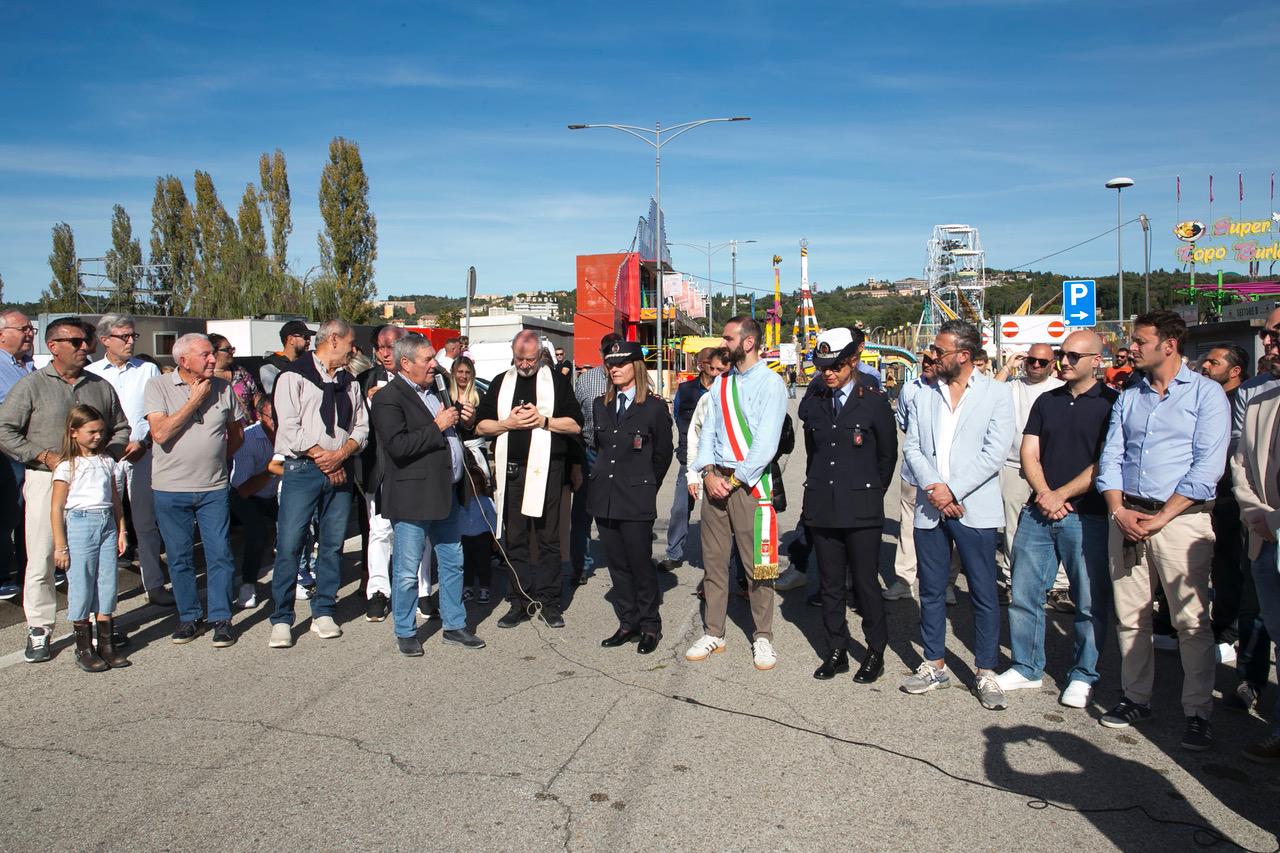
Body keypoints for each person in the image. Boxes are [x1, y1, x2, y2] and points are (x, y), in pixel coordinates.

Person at [1096, 310, 1229, 750]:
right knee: (1131, 617)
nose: (1131, 347)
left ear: (1168, 344)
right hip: (1128, 516)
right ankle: (1135, 697)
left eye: (1140, 340)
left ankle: (1197, 712)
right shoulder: (1129, 394)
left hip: (1179, 521)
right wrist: (1118, 510)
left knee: (1190, 622)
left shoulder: (1207, 396)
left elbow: (1206, 469)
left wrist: (1160, 518)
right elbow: (1111, 455)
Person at [993, 331, 1117, 708]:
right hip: (1038, 510)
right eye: (1063, 355)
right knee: (1025, 593)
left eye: (1074, 356)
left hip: (1087, 515)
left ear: (1097, 359)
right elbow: (1030, 450)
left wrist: (1060, 495)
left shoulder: (1113, 403)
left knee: (1088, 601)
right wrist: (1045, 494)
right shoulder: (1047, 400)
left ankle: (1083, 674)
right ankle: (1026, 666)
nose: (1065, 361)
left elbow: (1107, 461)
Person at [0, 317, 130, 663]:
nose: (84, 347)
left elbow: (121, 428)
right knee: (43, 554)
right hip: (47, 479)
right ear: (53, 346)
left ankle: (94, 625)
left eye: (85, 340)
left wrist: (104, 456)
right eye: (75, 341)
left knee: (95, 561)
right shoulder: (31, 386)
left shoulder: (99, 386)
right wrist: (43, 455)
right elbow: (5, 429)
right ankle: (40, 627)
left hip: (94, 483)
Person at [900, 319, 1014, 710]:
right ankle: (934, 664)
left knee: (983, 591)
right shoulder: (923, 394)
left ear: (964, 356)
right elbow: (912, 446)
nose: (932, 356)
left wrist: (953, 490)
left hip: (973, 508)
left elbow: (994, 454)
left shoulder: (997, 394)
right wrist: (935, 489)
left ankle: (986, 673)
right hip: (931, 507)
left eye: (940, 351)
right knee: (930, 588)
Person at [370, 334, 485, 656]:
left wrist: (465, 421)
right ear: (405, 364)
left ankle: (454, 625)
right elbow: (398, 446)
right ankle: (406, 630)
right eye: (427, 359)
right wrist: (437, 425)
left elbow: (450, 432)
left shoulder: (436, 389)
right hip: (413, 497)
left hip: (446, 491)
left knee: (452, 562)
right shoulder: (388, 398)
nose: (434, 364)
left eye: (434, 358)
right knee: (407, 569)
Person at [685, 316, 787, 671]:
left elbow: (765, 444)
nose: (722, 343)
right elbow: (708, 431)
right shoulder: (721, 384)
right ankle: (714, 631)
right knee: (713, 563)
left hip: (749, 486)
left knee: (758, 566)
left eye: (728, 338)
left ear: (747, 343)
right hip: (718, 482)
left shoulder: (771, 384)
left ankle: (763, 637)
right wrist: (709, 472)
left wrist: (735, 479)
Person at [800, 330, 896, 682]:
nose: (828, 373)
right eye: (823, 366)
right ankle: (837, 649)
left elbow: (887, 456)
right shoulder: (815, 402)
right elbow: (815, 455)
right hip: (824, 504)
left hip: (862, 507)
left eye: (836, 366)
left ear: (853, 362)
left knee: (866, 583)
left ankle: (875, 651)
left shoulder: (872, 401)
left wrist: (869, 492)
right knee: (829, 583)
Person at [267, 320, 368, 649]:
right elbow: (290, 427)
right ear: (334, 339)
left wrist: (340, 456)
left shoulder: (350, 382)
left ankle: (324, 610)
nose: (354, 350)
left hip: (339, 467)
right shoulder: (293, 375)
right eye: (351, 343)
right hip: (304, 469)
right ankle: (282, 618)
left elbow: (361, 428)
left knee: (333, 544)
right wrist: (325, 458)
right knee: (290, 543)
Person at [476, 330, 583, 629]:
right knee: (516, 538)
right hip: (512, 471)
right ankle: (519, 600)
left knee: (549, 539)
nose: (524, 365)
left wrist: (543, 421)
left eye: (530, 359)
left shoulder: (557, 383)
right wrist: (506, 424)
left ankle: (549, 601)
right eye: (519, 358)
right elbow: (480, 426)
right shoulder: (500, 382)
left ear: (541, 356)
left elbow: (576, 425)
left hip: (548, 470)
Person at [145, 334, 245, 647]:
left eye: (213, 354)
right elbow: (160, 433)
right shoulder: (157, 387)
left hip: (213, 487)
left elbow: (237, 434)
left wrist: (217, 458)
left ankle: (220, 618)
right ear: (183, 361)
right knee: (179, 558)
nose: (213, 360)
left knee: (220, 555)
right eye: (205, 355)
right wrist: (194, 401)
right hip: (170, 489)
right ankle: (189, 617)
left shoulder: (224, 388)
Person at [589, 341, 673, 655]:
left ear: (636, 366)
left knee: (640, 565)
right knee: (617, 566)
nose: (614, 370)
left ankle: (650, 625)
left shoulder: (653, 407)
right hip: (605, 497)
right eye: (610, 365)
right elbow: (600, 448)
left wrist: (645, 485)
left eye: (621, 364)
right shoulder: (601, 404)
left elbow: (662, 455)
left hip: (636, 497)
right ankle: (628, 622)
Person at [85, 314, 173, 608]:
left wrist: (145, 441)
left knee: (146, 523)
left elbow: (156, 411)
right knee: (106, 524)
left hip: (141, 453)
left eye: (133, 336)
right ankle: (103, 597)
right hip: (106, 456)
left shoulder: (147, 369)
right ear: (105, 340)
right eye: (124, 336)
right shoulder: (92, 373)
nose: (130, 341)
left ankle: (154, 584)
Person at [50, 405, 129, 671]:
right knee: (82, 582)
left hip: (106, 522)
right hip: (80, 523)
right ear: (74, 432)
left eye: (101, 432)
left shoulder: (107, 461)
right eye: (91, 432)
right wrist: (60, 546)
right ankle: (84, 648)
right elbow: (57, 508)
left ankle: (107, 645)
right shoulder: (67, 466)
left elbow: (115, 498)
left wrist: (121, 530)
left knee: (107, 581)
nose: (97, 437)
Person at [1231, 348, 1280, 764]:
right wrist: (1258, 516)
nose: (1271, 347)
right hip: (1264, 539)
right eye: (1271, 337)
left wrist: (1275, 518)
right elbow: (1241, 465)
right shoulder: (1261, 403)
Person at [994, 343, 1064, 606]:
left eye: (1042, 362)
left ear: (1052, 364)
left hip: (1050, 468)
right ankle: (1012, 581)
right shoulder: (1013, 386)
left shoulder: (1059, 388)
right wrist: (1008, 365)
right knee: (1012, 529)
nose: (1036, 365)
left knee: (1057, 526)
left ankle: (1059, 585)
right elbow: (986, 393)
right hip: (1013, 466)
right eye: (1031, 360)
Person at [1199, 344, 1251, 664]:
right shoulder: (1204, 397)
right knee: (1213, 566)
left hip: (1234, 498)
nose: (1204, 365)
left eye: (1213, 362)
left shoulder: (1244, 400)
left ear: (1234, 371)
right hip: (1206, 497)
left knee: (1232, 569)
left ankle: (1229, 634)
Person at [661, 347, 722, 572]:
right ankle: (673, 553)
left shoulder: (725, 389)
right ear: (701, 365)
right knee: (680, 507)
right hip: (690, 458)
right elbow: (678, 417)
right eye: (711, 365)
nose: (715, 371)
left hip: (719, 461)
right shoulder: (685, 390)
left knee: (717, 510)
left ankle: (719, 558)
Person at [569, 333, 620, 585]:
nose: (612, 356)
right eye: (608, 351)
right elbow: (574, 420)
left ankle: (622, 563)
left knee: (620, 511)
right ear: (601, 353)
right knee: (581, 512)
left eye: (616, 351)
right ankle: (580, 565)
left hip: (621, 456)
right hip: (590, 452)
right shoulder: (586, 380)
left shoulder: (635, 379)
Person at [883, 352, 934, 602]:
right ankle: (904, 579)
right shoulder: (910, 389)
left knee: (947, 527)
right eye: (924, 359)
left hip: (945, 475)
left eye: (933, 360)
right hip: (912, 472)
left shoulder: (953, 388)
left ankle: (945, 582)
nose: (927, 364)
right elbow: (903, 424)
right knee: (907, 526)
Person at [229, 395, 280, 609]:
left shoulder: (288, 434)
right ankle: (248, 584)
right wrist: (272, 472)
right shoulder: (248, 439)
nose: (277, 421)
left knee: (299, 524)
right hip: (247, 496)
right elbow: (243, 488)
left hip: (274, 494)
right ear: (259, 416)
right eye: (271, 416)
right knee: (258, 533)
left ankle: (301, 574)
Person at [0, 310, 35, 601]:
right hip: (8, 453)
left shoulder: (28, 365)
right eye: (22, 328)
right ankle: (3, 575)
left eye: (30, 328)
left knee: (31, 513)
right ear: (2, 334)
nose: (29, 333)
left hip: (33, 452)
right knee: (8, 513)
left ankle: (30, 571)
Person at [209, 333, 261, 423]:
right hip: (222, 432)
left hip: (246, 429)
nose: (232, 352)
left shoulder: (240, 372)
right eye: (227, 350)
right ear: (214, 352)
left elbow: (256, 396)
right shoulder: (207, 377)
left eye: (232, 349)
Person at [258, 320, 314, 394]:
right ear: (290, 339)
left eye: (309, 337)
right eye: (305, 337)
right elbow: (275, 393)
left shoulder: (309, 362)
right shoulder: (270, 365)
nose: (309, 340)